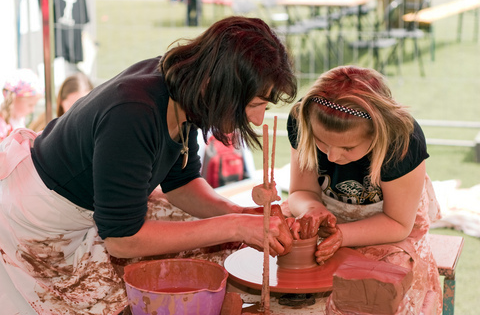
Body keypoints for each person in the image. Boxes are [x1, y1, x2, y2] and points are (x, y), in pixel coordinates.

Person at [0, 16, 297, 314]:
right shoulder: (133, 112)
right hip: (38, 221)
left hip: (94, 212)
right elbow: (121, 239)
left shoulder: (185, 89)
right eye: (254, 104)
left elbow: (181, 183)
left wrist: (240, 213)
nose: (257, 119)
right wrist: (234, 226)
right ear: (218, 85)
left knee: (215, 244)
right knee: (121, 302)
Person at [286, 65, 442, 314]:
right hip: (328, 204)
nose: (332, 155)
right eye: (322, 142)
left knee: (382, 289)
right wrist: (312, 210)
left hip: (391, 220)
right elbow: (300, 192)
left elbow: (398, 223)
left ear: (377, 134)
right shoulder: (304, 118)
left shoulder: (401, 140)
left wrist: (341, 236)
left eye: (347, 148)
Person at [29, 72, 94, 132]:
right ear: (61, 102)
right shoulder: (46, 125)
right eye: (73, 107)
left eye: (84, 107)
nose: (79, 113)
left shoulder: (95, 128)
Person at [0, 68, 43, 142]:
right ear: (14, 99)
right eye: (30, 105)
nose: (33, 110)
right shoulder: (2, 124)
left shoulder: (19, 120)